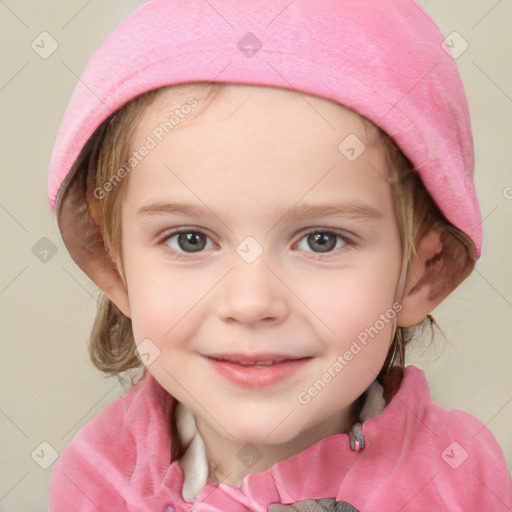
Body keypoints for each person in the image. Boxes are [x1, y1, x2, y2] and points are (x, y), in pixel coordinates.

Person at [46, 1, 512, 510]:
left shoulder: (458, 478)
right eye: (190, 240)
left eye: (321, 240)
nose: (250, 303)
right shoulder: (96, 480)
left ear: (422, 276)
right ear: (117, 269)